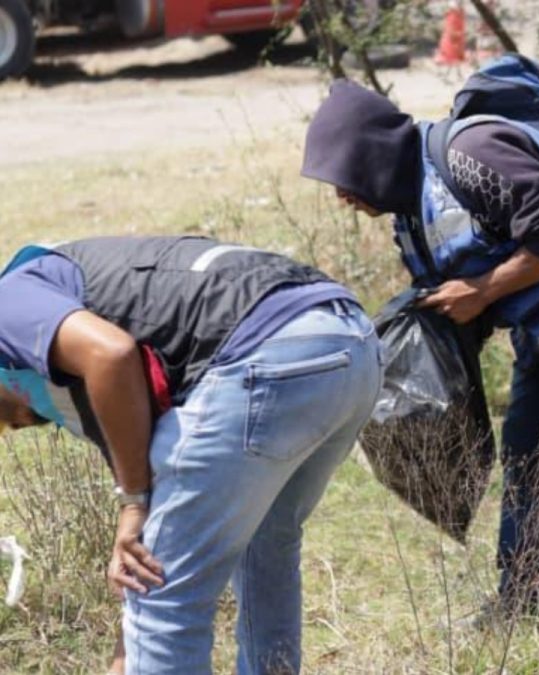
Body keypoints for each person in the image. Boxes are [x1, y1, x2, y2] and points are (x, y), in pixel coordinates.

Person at [302, 81, 539, 617]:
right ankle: (523, 595)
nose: (342, 196)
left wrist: (483, 291)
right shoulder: (411, 218)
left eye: (344, 177)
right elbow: (465, 297)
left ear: (372, 154)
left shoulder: (470, 152)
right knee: (527, 454)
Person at [0, 236, 383, 674]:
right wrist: (128, 651)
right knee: (263, 549)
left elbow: (111, 354)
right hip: (349, 344)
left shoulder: (6, 301)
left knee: (164, 600)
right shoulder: (70, 298)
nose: (11, 430)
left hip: (262, 354)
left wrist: (133, 502)